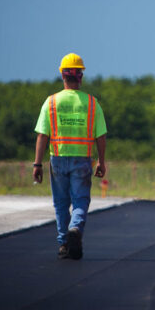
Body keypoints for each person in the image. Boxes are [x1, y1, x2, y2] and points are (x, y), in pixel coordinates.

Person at [32, 53, 107, 260]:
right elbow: (101, 136)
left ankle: (64, 243)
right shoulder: (92, 103)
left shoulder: (51, 102)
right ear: (80, 76)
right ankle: (75, 228)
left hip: (57, 158)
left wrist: (37, 164)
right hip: (82, 159)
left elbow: (42, 135)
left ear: (62, 76)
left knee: (61, 203)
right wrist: (101, 160)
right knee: (80, 200)